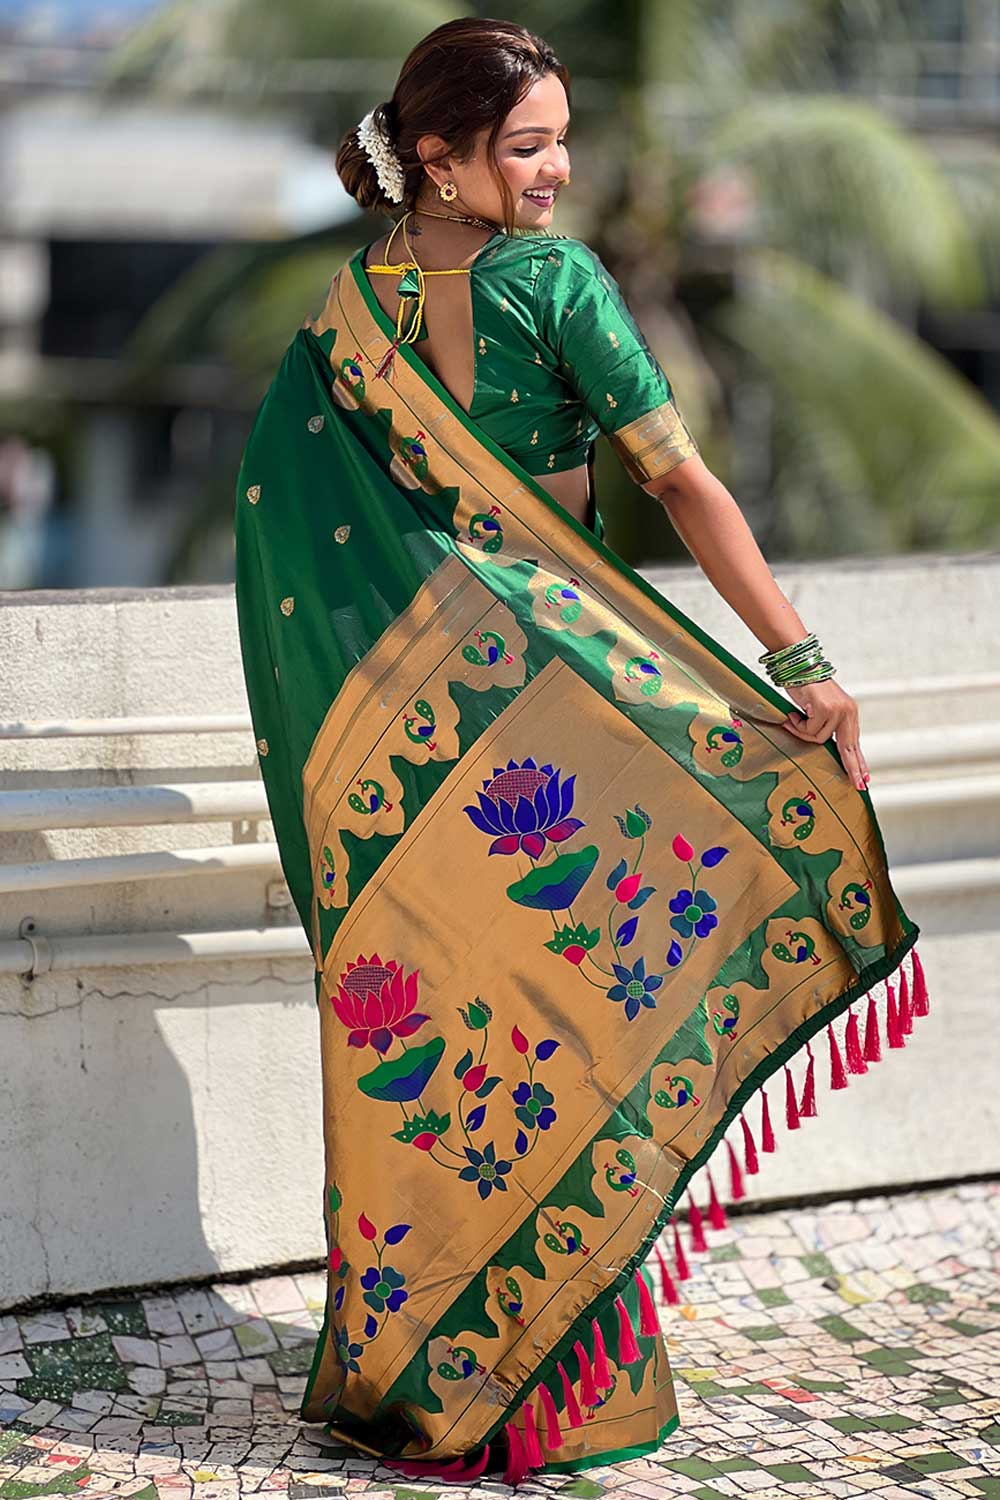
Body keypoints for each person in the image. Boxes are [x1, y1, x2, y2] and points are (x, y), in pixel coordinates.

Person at [233, 16, 928, 1485]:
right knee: (570, 1029)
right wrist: (798, 664)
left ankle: (413, 1387)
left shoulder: (348, 308)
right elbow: (677, 479)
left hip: (402, 751)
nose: (559, 171)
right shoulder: (553, 284)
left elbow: (301, 544)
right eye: (529, 145)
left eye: (563, 139)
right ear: (440, 156)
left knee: (429, 1043)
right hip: (548, 718)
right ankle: (567, 1397)